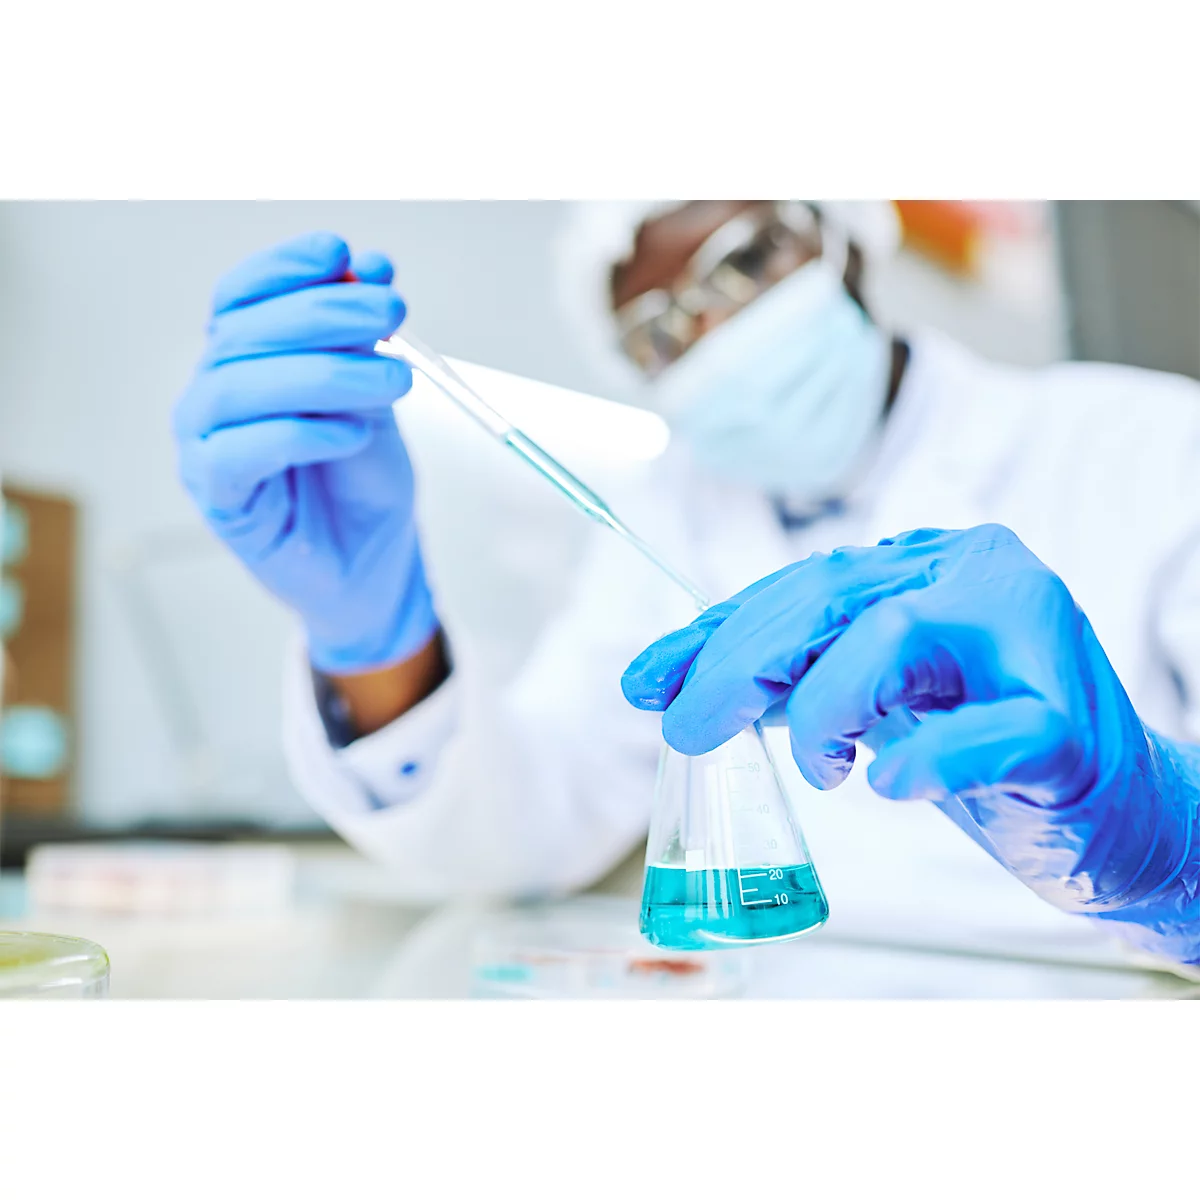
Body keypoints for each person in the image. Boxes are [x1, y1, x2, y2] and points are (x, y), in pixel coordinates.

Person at [173, 204, 1200, 963]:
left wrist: (1174, 844)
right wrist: (372, 631)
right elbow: (526, 826)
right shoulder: (670, 508)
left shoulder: (1147, 442)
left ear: (844, 242)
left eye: (744, 261)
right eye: (660, 329)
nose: (715, 332)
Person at [620, 524, 1200, 965]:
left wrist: (1178, 843)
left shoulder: (1150, 438)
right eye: (647, 354)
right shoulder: (669, 488)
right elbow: (560, 776)